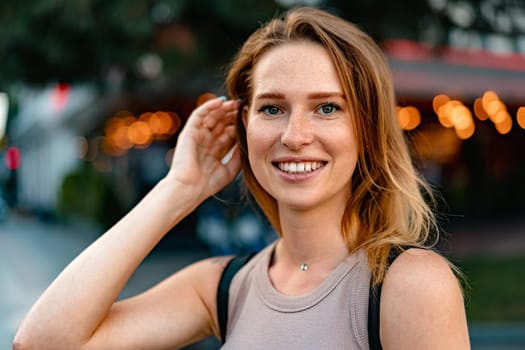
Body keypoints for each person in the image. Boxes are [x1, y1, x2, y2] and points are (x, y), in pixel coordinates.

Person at [13, 6, 470, 349]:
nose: (295, 136)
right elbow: (43, 342)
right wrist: (178, 190)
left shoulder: (409, 284)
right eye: (272, 108)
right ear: (244, 125)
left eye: (327, 107)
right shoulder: (224, 287)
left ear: (366, 130)